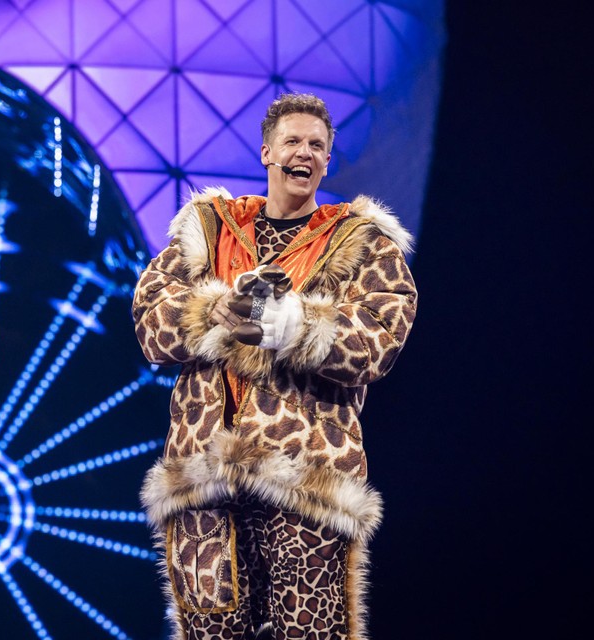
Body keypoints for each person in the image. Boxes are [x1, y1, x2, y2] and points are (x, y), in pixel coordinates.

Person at [133, 93, 417, 639]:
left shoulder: (359, 241)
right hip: (204, 477)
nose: (303, 153)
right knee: (211, 630)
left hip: (303, 474)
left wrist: (295, 326)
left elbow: (381, 338)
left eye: (316, 145)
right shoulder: (211, 229)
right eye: (292, 141)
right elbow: (150, 318)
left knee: (309, 631)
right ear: (267, 152)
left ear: (328, 161)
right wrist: (209, 309)